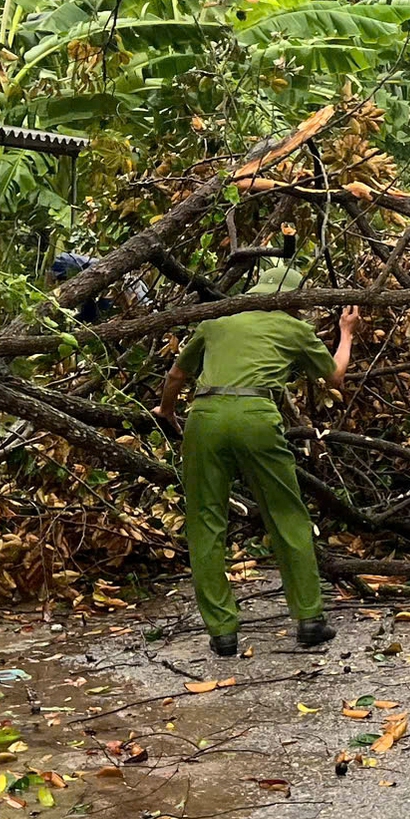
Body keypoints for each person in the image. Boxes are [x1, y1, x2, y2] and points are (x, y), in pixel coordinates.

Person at [157, 262, 360, 658]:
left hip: (205, 416)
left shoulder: (216, 321)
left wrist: (166, 411)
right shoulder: (294, 329)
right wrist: (346, 333)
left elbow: (177, 376)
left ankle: (222, 632)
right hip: (256, 417)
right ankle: (309, 620)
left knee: (205, 521)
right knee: (286, 514)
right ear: (294, 301)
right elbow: (335, 377)